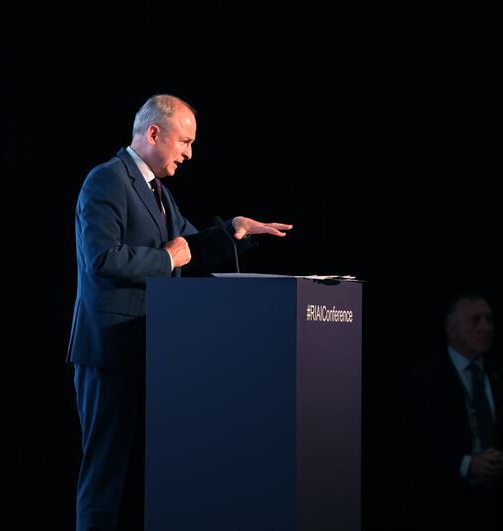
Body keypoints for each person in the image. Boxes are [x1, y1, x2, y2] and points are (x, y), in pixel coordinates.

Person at [66, 94, 292, 531]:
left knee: (146, 478)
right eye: (185, 142)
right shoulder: (107, 180)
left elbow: (192, 245)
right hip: (111, 351)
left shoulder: (160, 192)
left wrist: (235, 231)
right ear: (154, 133)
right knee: (105, 474)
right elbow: (101, 257)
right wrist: (168, 259)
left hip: (155, 349)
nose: (189, 153)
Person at [399, 292, 503, 531]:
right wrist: (466, 464)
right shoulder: (423, 377)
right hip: (443, 511)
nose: (485, 327)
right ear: (451, 329)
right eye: (475, 320)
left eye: (489, 320)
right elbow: (408, 443)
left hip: (500, 511)